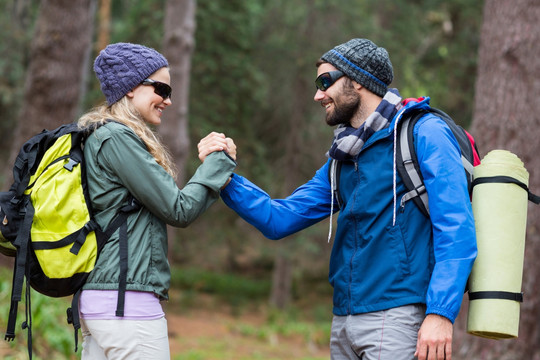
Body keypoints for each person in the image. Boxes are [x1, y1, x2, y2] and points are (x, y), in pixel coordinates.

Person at [199, 38, 477, 360]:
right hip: (343, 322)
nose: (318, 94)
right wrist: (224, 176)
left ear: (357, 80)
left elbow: (456, 229)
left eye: (324, 82)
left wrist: (440, 313)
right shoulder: (342, 158)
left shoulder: (423, 132)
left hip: (399, 316)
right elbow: (280, 218)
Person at [76, 42, 236, 360]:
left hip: (104, 303)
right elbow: (179, 208)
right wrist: (219, 162)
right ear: (131, 87)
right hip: (127, 306)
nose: (168, 100)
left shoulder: (100, 136)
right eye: (161, 88)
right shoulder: (116, 137)